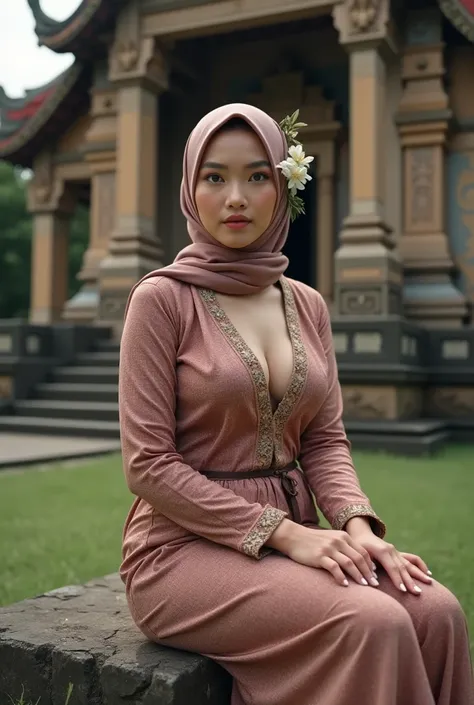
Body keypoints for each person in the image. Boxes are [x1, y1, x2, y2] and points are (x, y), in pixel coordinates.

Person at [118, 103, 473, 705]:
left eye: (258, 176)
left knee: (436, 609)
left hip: (295, 535)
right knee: (374, 622)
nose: (236, 197)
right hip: (179, 550)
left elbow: (323, 441)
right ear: (190, 187)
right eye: (215, 177)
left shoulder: (306, 304)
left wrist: (357, 526)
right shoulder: (162, 300)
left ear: (285, 186)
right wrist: (283, 533)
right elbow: (147, 464)